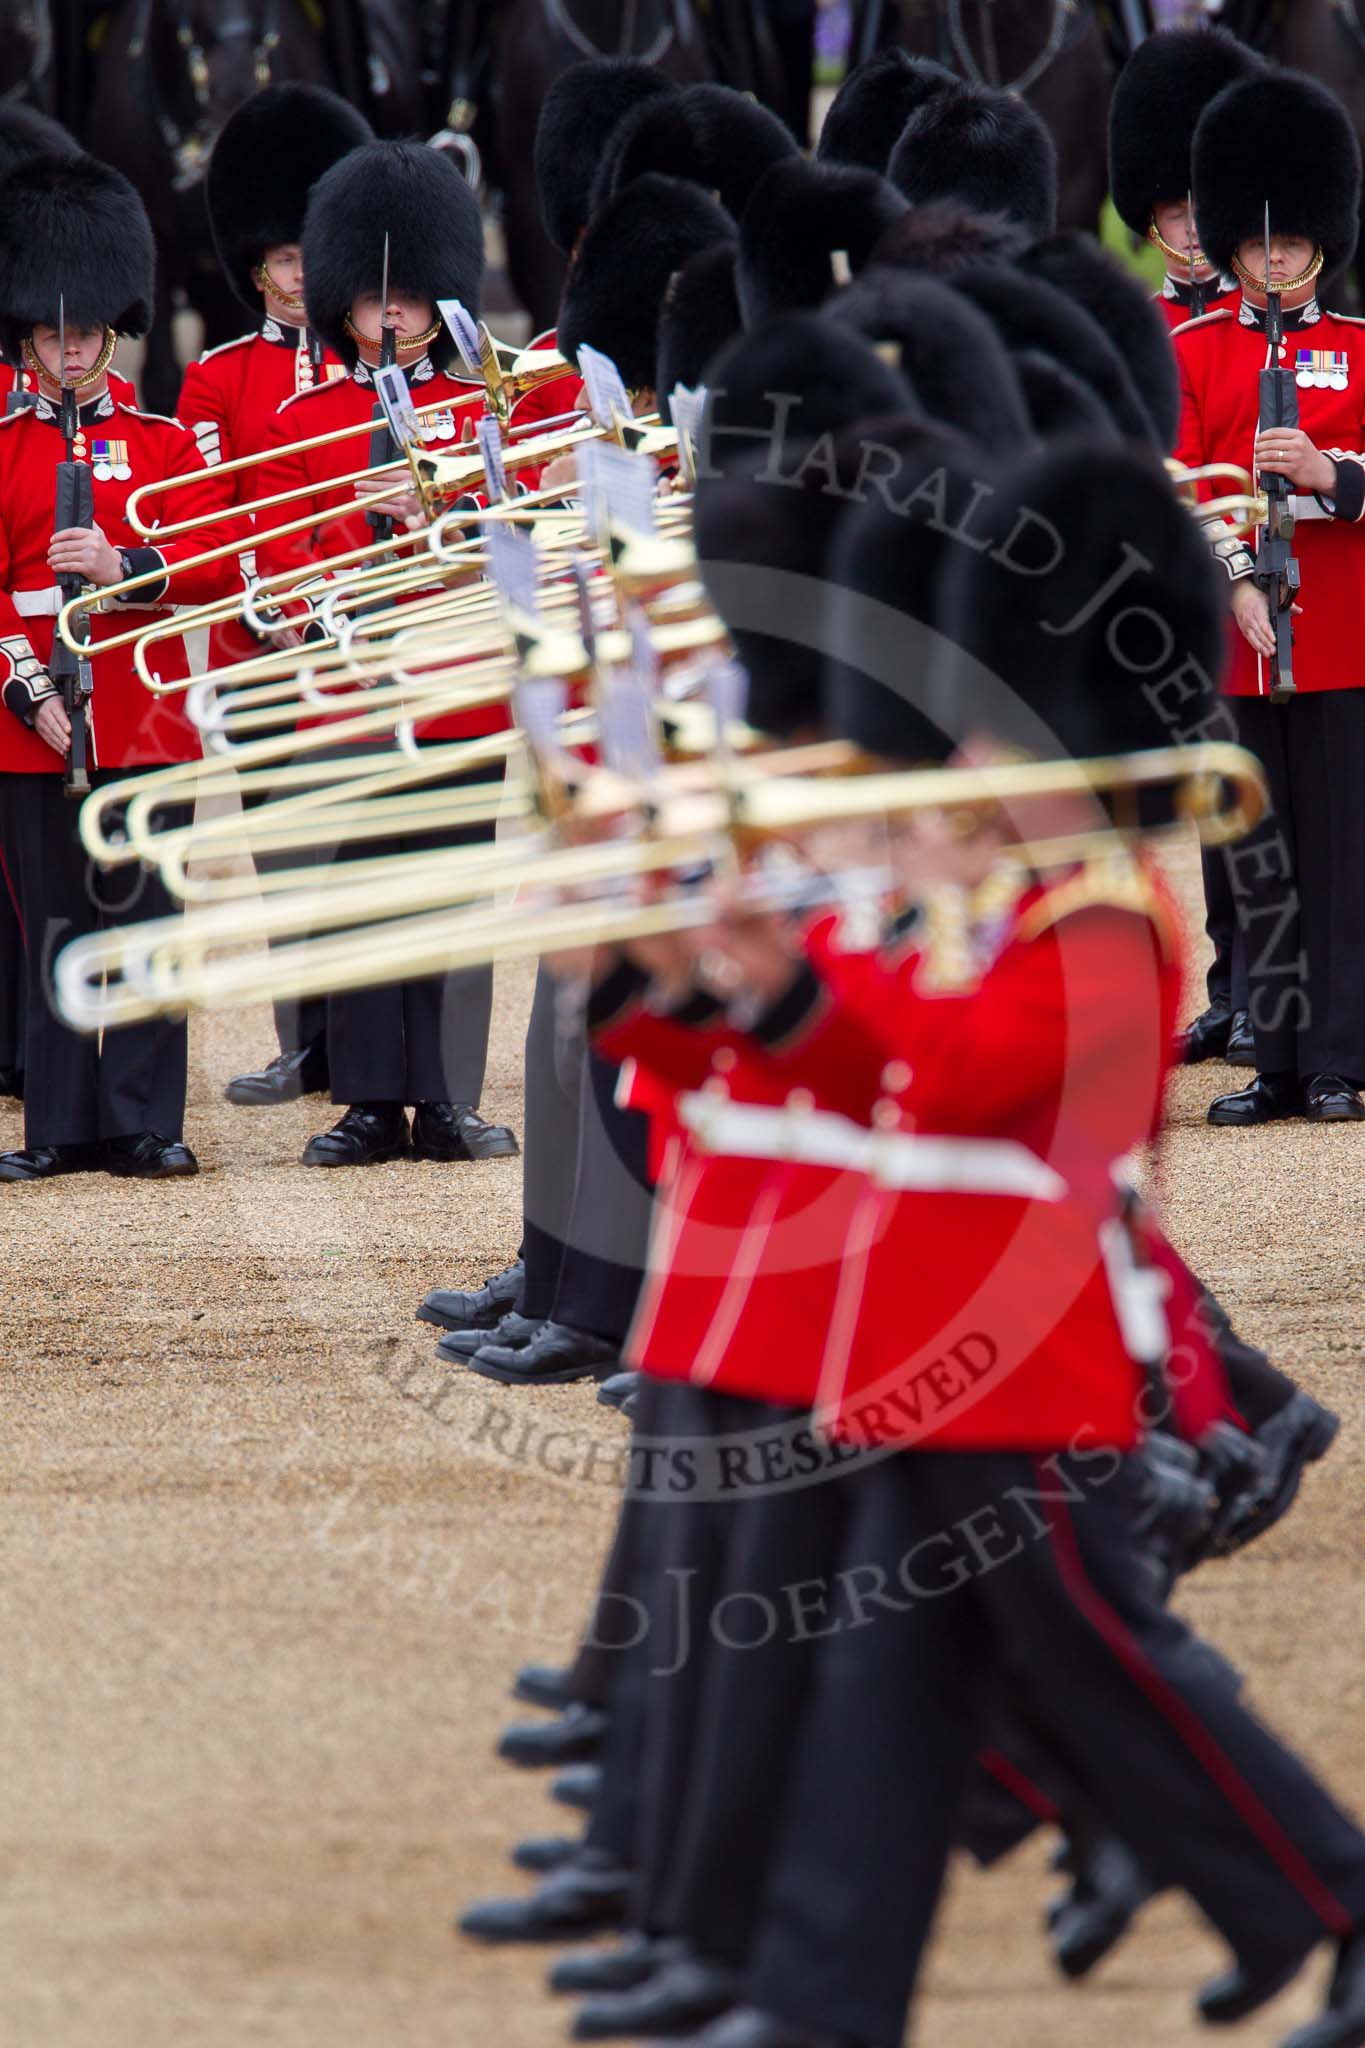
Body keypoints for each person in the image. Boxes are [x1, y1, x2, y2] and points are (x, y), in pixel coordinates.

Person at [251, 138, 516, 1169]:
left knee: (450, 888)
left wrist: (439, 513)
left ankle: (446, 1097)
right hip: (352, 685)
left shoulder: (481, 415)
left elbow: (517, 542)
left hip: (453, 681)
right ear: (347, 309)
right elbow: (279, 550)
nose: (393, 317)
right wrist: (329, 583)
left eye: (411, 299)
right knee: (361, 888)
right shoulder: (304, 421)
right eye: (374, 301)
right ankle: (368, 1098)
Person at [0, 153, 234, 1181]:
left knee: (141, 909)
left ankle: (144, 1115)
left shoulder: (163, 439)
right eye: (56, 335)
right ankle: (58, 1119)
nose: (73, 351)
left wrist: (124, 564)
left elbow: (216, 557)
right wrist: (28, 685)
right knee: (49, 916)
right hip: (26, 719)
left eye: (88, 334)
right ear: (28, 338)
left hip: (142, 715)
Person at [176, 82, 372, 1111]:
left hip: (358, 633)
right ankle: (308, 1038)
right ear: (258, 268)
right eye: (286, 259)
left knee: (361, 836)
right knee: (280, 841)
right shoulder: (214, 380)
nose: (301, 276)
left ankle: (367, 1043)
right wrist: (263, 595)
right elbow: (208, 508)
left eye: (312, 255)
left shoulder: (370, 374)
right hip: (262, 639)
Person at [1179, 67, 1365, 1124]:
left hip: (1345, 636)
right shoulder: (1194, 351)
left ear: (1320, 241)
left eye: (1292, 241)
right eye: (1260, 243)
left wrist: (1329, 476)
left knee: (1342, 857)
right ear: (1236, 247)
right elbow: (1181, 480)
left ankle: (1341, 1056)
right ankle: (1279, 1057)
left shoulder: (1360, 350)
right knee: (1263, 860)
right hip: (1242, 635)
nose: (1277, 256)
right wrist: (1241, 575)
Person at [1110, 23, 1265, 1068]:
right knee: (1215, 790)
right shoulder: (1142, 323)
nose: (1191, 234)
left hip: (1276, 576)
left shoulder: (1274, 323)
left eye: (1199, 213)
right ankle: (1234, 982)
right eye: (1172, 215)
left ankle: (1287, 990)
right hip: (1187, 579)